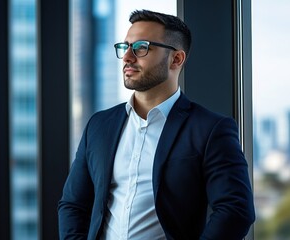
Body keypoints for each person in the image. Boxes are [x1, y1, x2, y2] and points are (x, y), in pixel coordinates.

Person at [58, 9, 255, 240]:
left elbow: (236, 211)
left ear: (176, 59)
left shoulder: (210, 129)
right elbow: (73, 204)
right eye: (125, 47)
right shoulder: (99, 125)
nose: (128, 57)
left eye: (141, 47)